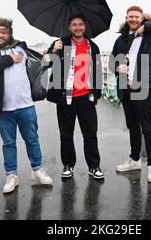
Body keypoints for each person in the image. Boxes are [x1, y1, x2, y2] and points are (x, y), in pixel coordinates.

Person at [0, 18, 53, 194]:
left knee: (32, 139)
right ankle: (12, 175)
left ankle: (38, 170)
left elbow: (42, 63)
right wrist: (10, 59)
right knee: (9, 143)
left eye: (4, 31)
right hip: (3, 108)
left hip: (26, 105)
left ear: (10, 33)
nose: (1, 35)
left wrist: (51, 53)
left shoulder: (21, 49)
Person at [109, 6, 151, 183]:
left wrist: (147, 27)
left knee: (146, 126)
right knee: (132, 126)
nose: (134, 19)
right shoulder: (121, 39)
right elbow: (112, 60)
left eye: (137, 17)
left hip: (142, 85)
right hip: (126, 86)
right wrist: (116, 67)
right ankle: (135, 160)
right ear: (127, 18)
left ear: (141, 18)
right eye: (131, 17)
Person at [46, 14, 104, 180]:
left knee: (90, 134)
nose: (77, 27)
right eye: (74, 25)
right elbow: (47, 64)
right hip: (65, 98)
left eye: (80, 24)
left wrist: (97, 94)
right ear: (69, 27)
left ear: (84, 26)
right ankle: (68, 165)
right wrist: (53, 51)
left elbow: (97, 72)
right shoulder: (60, 43)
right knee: (66, 134)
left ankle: (94, 166)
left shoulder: (93, 46)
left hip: (86, 97)